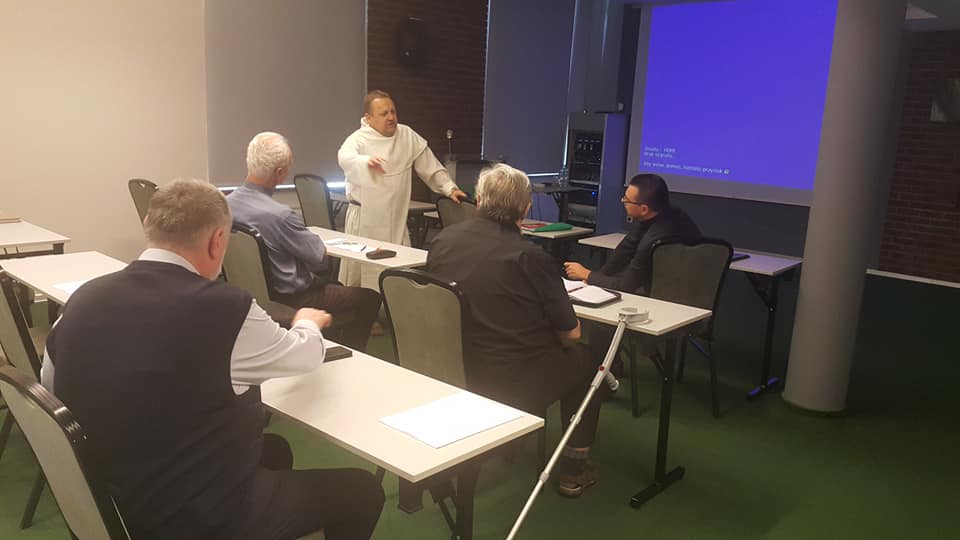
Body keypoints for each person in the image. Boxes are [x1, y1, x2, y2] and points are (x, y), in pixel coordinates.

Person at [42, 179, 384, 540]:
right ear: (218, 240)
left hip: (109, 501)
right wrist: (307, 323)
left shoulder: (82, 299)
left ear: (148, 224)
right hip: (191, 517)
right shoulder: (226, 308)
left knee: (274, 451)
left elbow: (52, 390)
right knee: (361, 492)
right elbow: (304, 356)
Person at [427, 163, 604, 497]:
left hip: (452, 370)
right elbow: (571, 334)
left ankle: (515, 442)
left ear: (479, 200)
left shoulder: (442, 241)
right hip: (512, 380)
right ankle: (573, 469)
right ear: (526, 209)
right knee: (587, 360)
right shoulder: (531, 257)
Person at [229, 132, 381, 351]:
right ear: (280, 173)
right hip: (294, 298)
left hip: (248, 292)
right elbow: (318, 257)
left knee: (337, 288)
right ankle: (349, 353)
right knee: (369, 298)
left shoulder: (226, 205)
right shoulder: (281, 215)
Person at [337, 89, 468, 288]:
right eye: (384, 113)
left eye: (393, 112)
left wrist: (449, 188)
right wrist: (365, 162)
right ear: (369, 118)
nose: (391, 117)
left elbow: (429, 165)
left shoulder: (406, 135)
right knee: (362, 280)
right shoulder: (358, 139)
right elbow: (345, 158)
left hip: (396, 220)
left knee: (397, 276)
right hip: (365, 220)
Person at [563, 173, 701, 295]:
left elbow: (626, 285)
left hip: (670, 294)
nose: (622, 201)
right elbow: (624, 251)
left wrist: (587, 274)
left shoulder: (655, 239)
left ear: (644, 209)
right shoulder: (661, 214)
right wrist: (592, 279)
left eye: (627, 200)